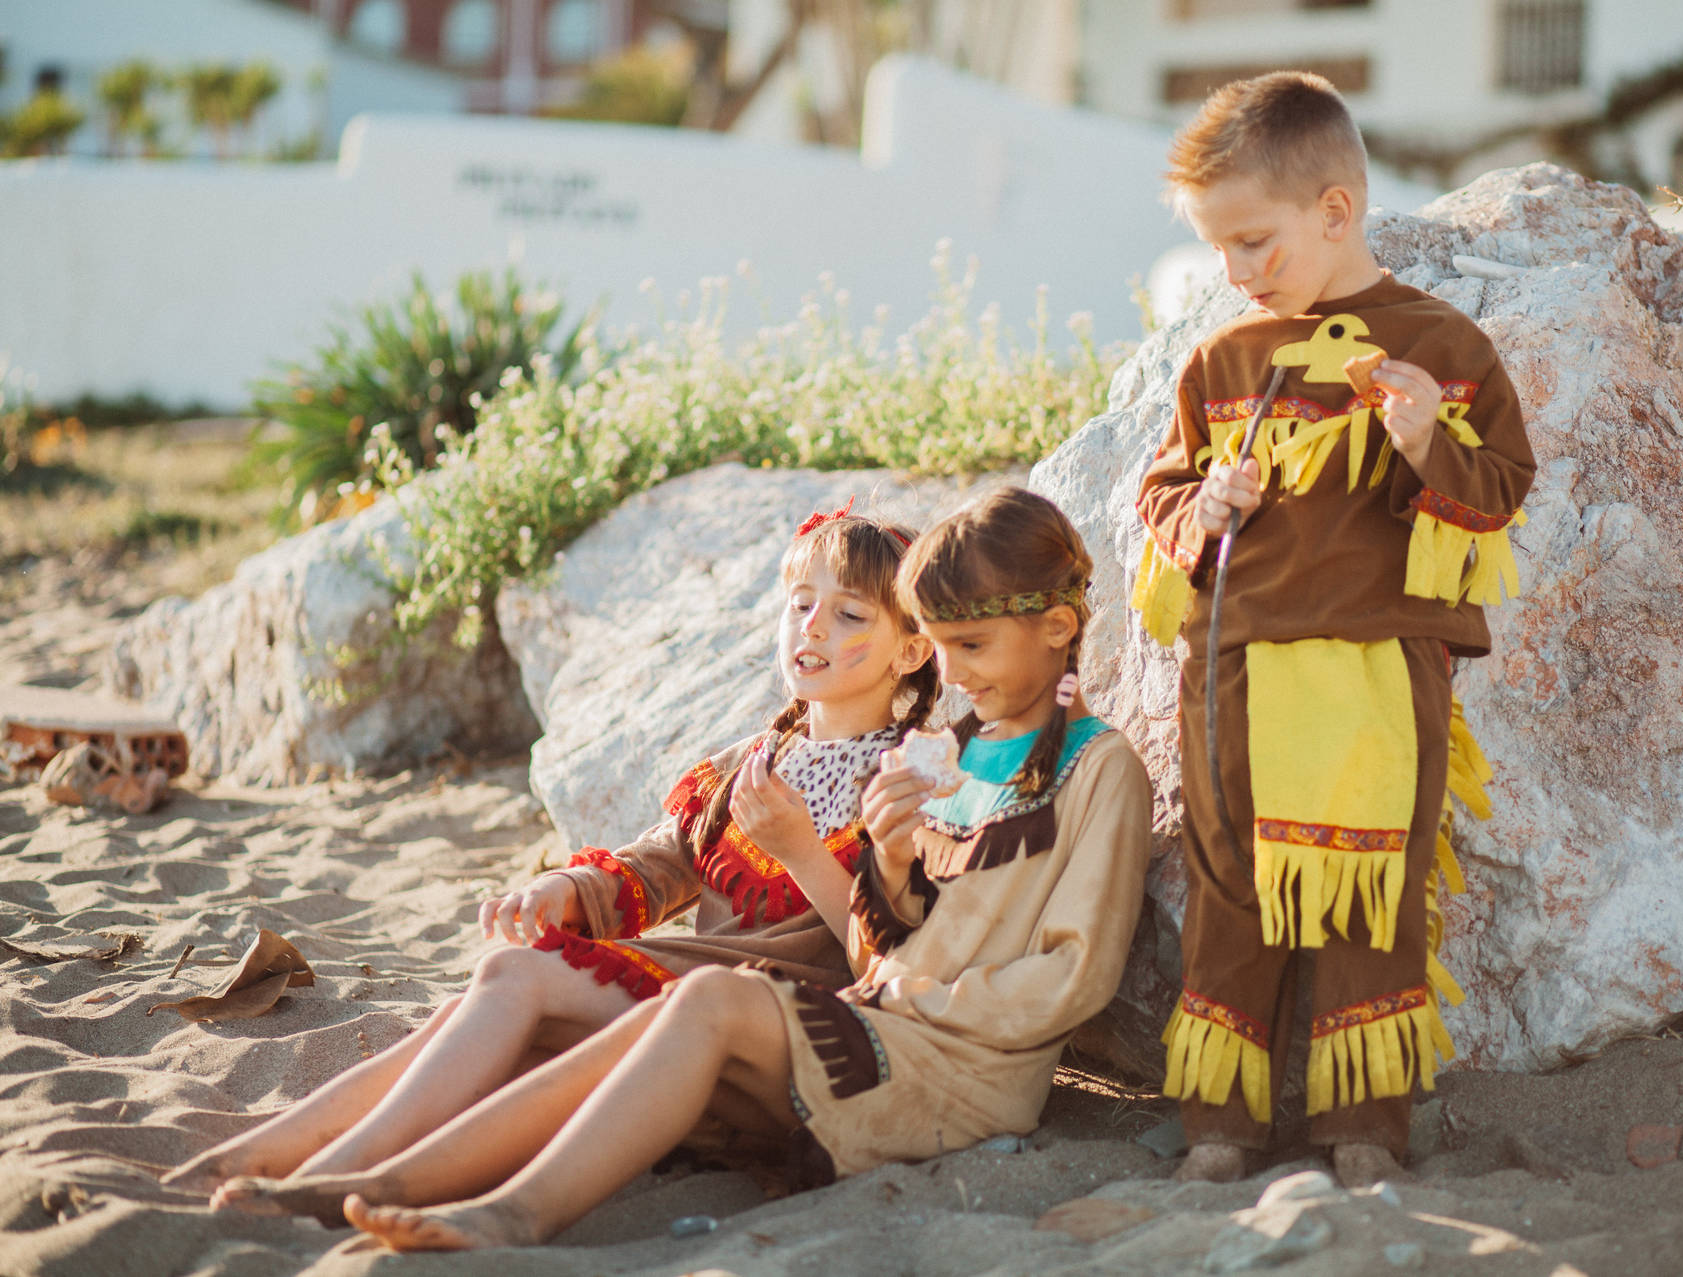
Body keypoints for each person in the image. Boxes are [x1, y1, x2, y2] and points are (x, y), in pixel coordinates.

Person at [211, 485, 1152, 1252]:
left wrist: (904, 978)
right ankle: (365, 1174)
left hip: (960, 1060)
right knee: (558, 997)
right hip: (879, 1018)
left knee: (686, 998)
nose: (954, 671)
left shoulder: (1095, 766)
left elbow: (1071, 973)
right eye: (947, 648)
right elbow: (889, 933)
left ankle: (497, 1205)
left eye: (969, 647)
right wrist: (896, 867)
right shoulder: (947, 755)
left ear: (1061, 629)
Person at [165, 506, 937, 1198]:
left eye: (847, 614)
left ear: (910, 651)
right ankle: (278, 1149)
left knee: (513, 973)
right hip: (679, 1005)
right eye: (801, 604)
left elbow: (894, 956)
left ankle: (344, 1169)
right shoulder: (750, 761)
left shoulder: (905, 781)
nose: (811, 627)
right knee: (504, 1006)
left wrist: (803, 850)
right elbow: (658, 862)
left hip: (778, 1029)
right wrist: (566, 889)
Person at [1133, 71, 1535, 1187]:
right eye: (1220, 250)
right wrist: (1205, 506)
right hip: (1236, 659)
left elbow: (1499, 488)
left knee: (1373, 883)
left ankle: (1365, 1125)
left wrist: (1422, 441)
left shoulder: (1441, 346)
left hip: (1377, 658)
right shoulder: (1219, 362)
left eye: (1255, 242)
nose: (1237, 273)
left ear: (1336, 211)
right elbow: (1160, 499)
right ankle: (1220, 1120)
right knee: (1230, 881)